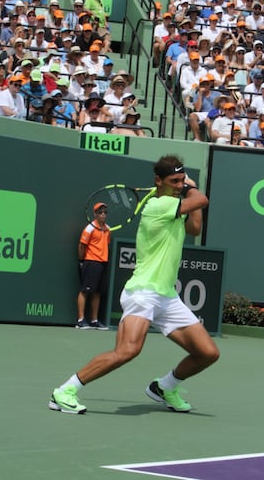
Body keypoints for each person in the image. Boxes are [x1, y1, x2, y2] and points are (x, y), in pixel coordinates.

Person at [49, 155, 219, 414]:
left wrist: (187, 192)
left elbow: (195, 227)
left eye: (181, 180)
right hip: (143, 292)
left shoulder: (174, 205)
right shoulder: (157, 205)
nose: (178, 185)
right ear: (158, 181)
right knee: (127, 351)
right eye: (174, 181)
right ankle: (65, 391)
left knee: (207, 353)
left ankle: (164, 387)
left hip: (167, 296)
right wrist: (190, 188)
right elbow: (201, 200)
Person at [74, 202, 110, 330]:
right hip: (91, 262)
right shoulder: (89, 228)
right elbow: (81, 245)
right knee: (85, 291)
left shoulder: (107, 229)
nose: (103, 215)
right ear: (95, 214)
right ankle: (80, 320)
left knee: (97, 293)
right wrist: (81, 260)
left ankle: (94, 320)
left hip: (102, 263)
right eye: (100, 212)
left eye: (105, 212)